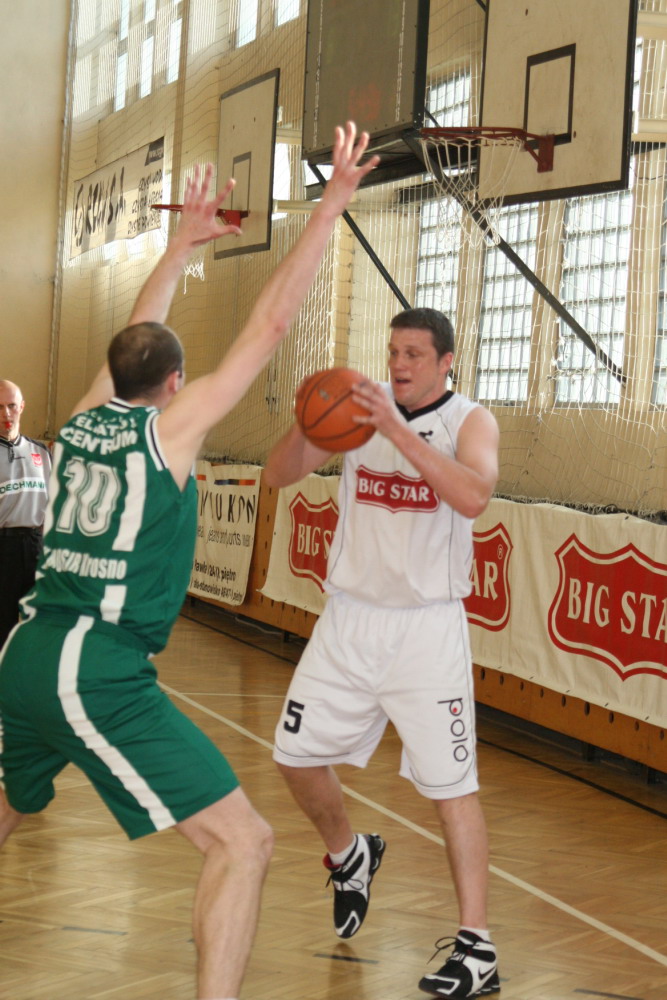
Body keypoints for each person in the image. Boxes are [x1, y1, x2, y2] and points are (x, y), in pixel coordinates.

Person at [0, 122, 378, 1000]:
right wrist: (329, 205)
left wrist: (178, 249)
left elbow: (136, 334)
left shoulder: (80, 419)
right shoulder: (167, 432)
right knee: (243, 842)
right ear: (175, 384)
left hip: (25, 650)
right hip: (94, 665)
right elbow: (270, 324)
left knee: (10, 803)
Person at [263, 307, 501, 1000]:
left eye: (414, 354)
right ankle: (350, 854)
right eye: (393, 351)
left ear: (446, 361)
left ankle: (478, 947)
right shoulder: (357, 414)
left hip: (426, 630)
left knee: (453, 789)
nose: (398, 364)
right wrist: (311, 416)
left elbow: (473, 496)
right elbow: (278, 475)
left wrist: (398, 432)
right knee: (294, 757)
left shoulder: (470, 422)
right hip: (350, 621)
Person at [0, 379, 52, 647]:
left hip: (35, 547)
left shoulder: (40, 452)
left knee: (40, 624)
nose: (6, 414)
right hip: (3, 549)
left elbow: (53, 506)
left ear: (22, 406)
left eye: (11, 406)